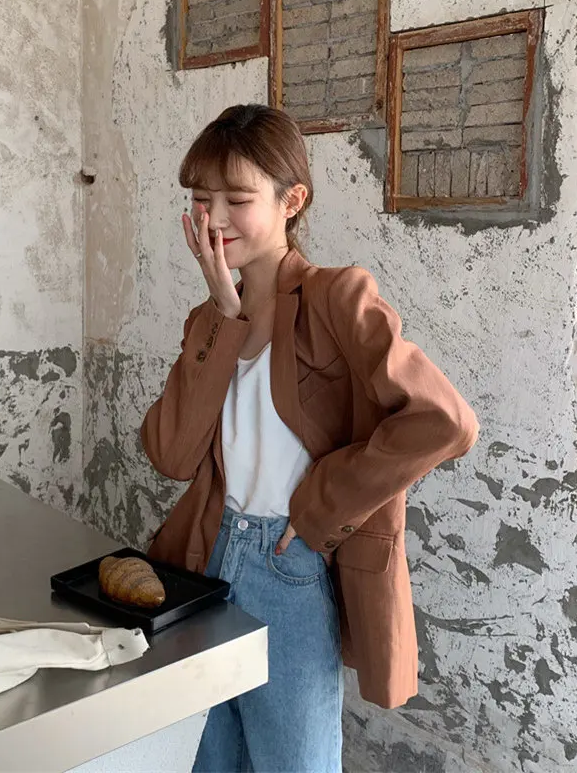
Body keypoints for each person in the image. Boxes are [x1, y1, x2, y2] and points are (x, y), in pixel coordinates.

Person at [141, 104, 478, 773]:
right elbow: (172, 456)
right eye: (201, 199)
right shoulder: (207, 320)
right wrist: (224, 317)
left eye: (238, 199)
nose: (214, 218)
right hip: (207, 558)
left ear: (291, 201)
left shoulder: (336, 298)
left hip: (286, 566)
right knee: (209, 762)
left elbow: (444, 420)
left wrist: (322, 505)